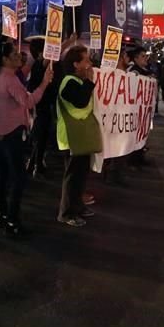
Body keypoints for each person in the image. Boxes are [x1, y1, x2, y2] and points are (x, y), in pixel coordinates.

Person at [0, 41, 53, 237]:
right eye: (14, 54)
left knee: (2, 176)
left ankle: (3, 216)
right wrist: (45, 83)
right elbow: (29, 101)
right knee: (18, 179)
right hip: (11, 135)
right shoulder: (10, 78)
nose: (19, 56)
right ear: (5, 58)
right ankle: (13, 221)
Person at [56, 45, 101, 227]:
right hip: (70, 136)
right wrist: (90, 82)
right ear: (76, 64)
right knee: (73, 176)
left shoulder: (77, 80)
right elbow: (81, 102)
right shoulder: (69, 82)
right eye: (86, 60)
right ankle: (66, 213)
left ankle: (78, 206)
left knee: (81, 174)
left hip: (80, 135)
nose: (90, 63)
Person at [26, 38, 56, 179]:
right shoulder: (39, 65)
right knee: (40, 136)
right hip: (40, 106)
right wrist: (68, 41)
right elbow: (48, 58)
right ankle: (35, 164)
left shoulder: (39, 65)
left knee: (42, 137)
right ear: (40, 52)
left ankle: (34, 163)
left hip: (43, 105)